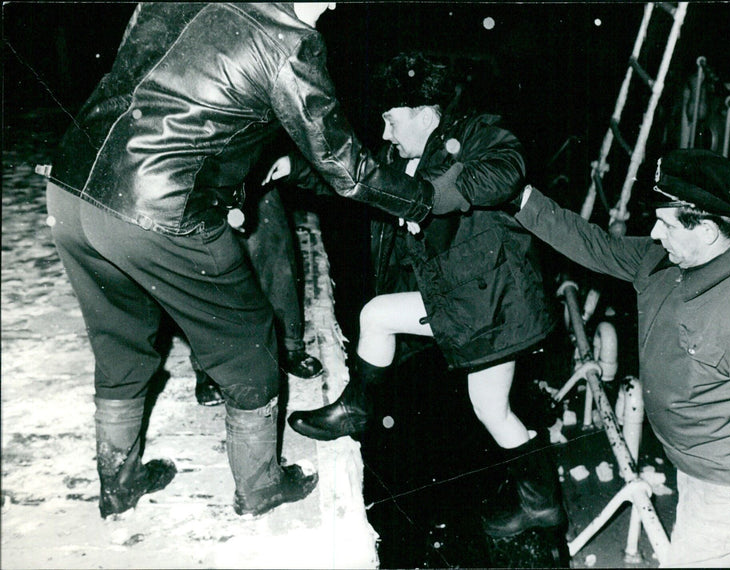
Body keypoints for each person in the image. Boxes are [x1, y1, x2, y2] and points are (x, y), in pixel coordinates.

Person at [43, 3, 441, 519]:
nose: (337, 5)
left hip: (73, 187)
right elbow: (346, 168)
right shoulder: (290, 42)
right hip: (159, 208)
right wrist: (423, 200)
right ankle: (260, 487)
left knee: (120, 343)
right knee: (250, 341)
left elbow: (159, 91)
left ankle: (119, 484)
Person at [285, 52, 566, 538]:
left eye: (392, 121)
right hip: (471, 303)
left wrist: (433, 196)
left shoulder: (478, 134)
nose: (386, 134)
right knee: (491, 409)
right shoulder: (400, 157)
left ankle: (356, 408)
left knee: (376, 316)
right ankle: (542, 505)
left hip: (493, 303)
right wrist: (295, 167)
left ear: (424, 111)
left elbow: (507, 167)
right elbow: (356, 179)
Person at [515, 148, 730, 568]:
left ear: (705, 230)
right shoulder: (667, 259)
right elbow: (596, 245)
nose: (655, 233)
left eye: (665, 223)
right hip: (694, 465)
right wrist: (520, 200)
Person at [193, 169, 324, 407]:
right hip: (194, 177)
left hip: (249, 168)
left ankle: (288, 346)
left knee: (274, 251)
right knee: (202, 267)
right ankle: (208, 367)